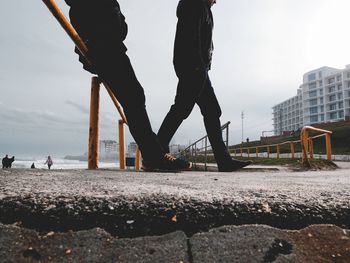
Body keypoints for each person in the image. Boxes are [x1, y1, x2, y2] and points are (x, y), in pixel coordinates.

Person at [64, 0, 190, 172]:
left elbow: (118, 27)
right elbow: (118, 27)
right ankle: (154, 156)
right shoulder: (88, 6)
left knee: (135, 98)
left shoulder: (82, 7)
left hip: (107, 48)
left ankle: (154, 154)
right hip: (106, 50)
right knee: (134, 98)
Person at [157, 0, 252, 172]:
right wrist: (197, 66)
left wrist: (203, 67)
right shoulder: (194, 4)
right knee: (182, 108)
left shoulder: (204, 8)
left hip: (199, 67)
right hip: (193, 66)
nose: (217, 1)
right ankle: (157, 153)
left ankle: (224, 161)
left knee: (211, 110)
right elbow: (189, 37)